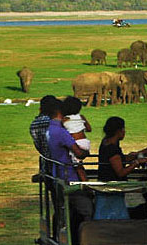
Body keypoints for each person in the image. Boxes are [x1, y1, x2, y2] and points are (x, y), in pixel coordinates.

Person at [46, 99, 93, 245]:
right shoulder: (61, 131)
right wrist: (85, 154)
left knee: (63, 212)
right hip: (70, 176)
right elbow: (78, 153)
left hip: (58, 175)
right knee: (86, 211)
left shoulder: (51, 129)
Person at [94, 117, 147, 220]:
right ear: (119, 131)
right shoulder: (112, 149)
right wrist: (136, 163)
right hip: (112, 188)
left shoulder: (106, 142)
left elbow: (116, 161)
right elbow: (120, 172)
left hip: (106, 186)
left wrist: (130, 157)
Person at [30, 95, 58, 240]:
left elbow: (39, 147)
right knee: (65, 205)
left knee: (55, 203)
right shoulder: (55, 122)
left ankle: (54, 236)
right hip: (61, 168)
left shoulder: (34, 124)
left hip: (46, 167)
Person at [62, 96, 92, 181]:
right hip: (85, 142)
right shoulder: (81, 117)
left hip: (76, 144)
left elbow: (61, 131)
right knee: (78, 164)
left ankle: (85, 184)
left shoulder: (65, 119)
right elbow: (89, 129)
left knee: (78, 167)